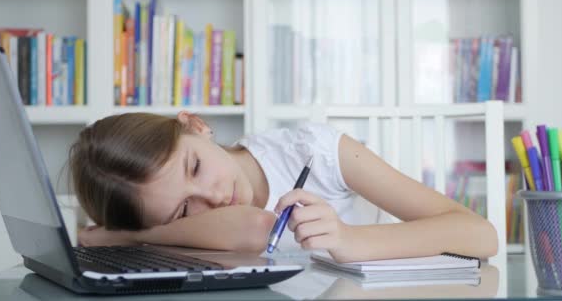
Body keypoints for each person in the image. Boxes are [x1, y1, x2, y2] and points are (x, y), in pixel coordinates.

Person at [70, 111, 497, 263]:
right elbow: (255, 228)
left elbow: (481, 235)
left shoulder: (317, 151)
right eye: (183, 211)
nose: (214, 198)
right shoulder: (201, 222)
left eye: (196, 167)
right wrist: (133, 234)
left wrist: (350, 240)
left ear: (196, 126)